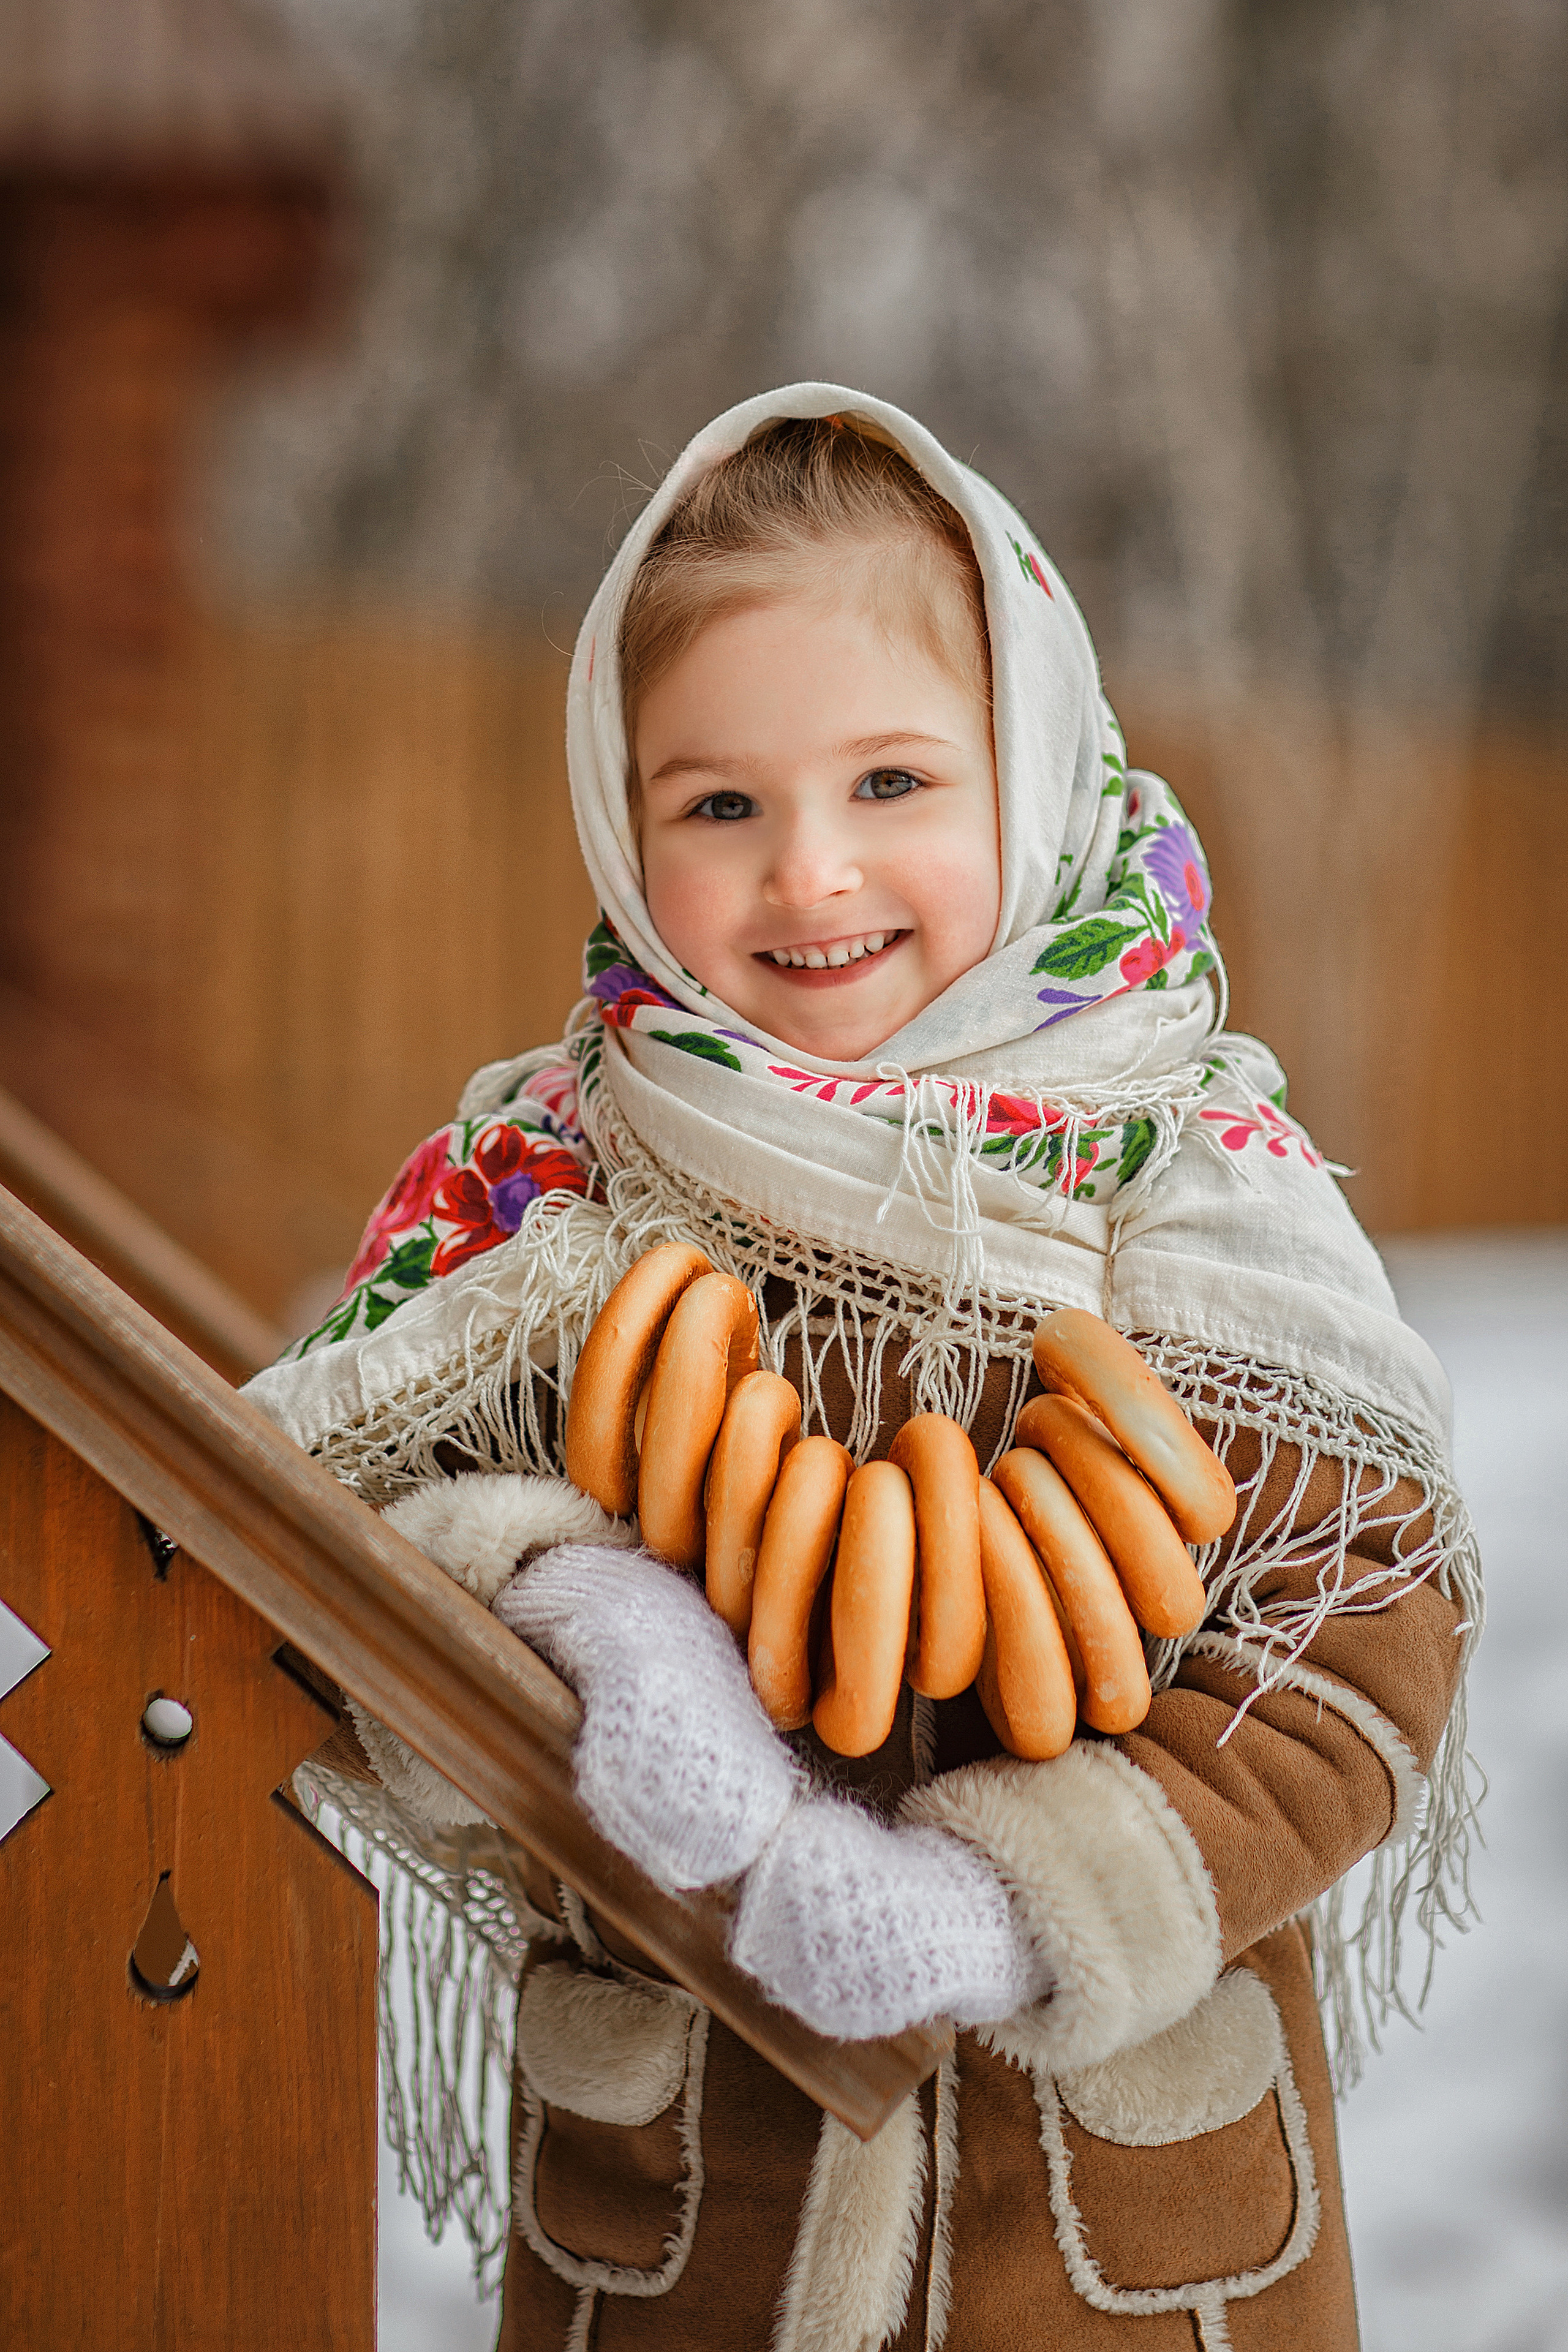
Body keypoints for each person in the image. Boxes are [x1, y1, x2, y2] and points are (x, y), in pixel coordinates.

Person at [247, 388, 1480, 2351]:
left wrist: (1009, 1907)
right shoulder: (561, 1193)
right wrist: (575, 1624)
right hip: (689, 2245)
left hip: (1107, 2256)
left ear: (1036, 768)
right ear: (625, 818)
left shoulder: (1182, 1180)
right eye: (720, 806)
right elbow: (323, 1593)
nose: (810, 877)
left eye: (894, 782)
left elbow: (1358, 1651)